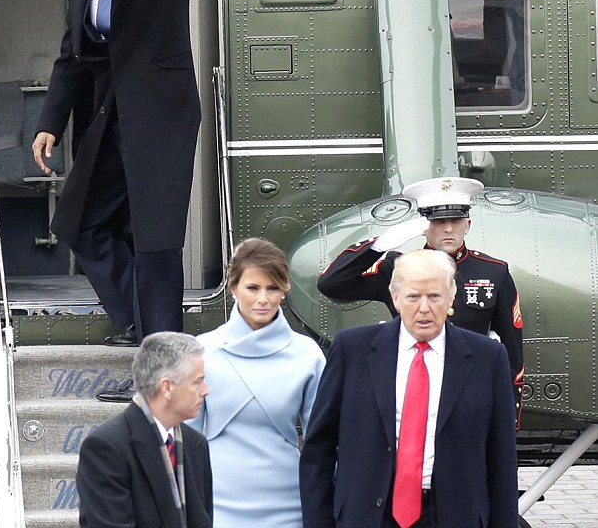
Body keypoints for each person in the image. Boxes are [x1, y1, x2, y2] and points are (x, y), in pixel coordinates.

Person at [31, 0, 227, 353]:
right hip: (108, 114)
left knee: (155, 236)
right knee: (82, 223)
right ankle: (139, 321)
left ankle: (161, 350)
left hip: (160, 115)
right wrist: (49, 124)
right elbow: (72, 57)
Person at [300, 249, 519, 528]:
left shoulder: (488, 358)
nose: (424, 308)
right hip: (369, 515)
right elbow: (319, 447)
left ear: (451, 297)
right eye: (413, 297)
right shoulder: (351, 350)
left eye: (434, 296)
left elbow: (501, 458)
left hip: (453, 515)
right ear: (395, 297)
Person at [317, 176, 524, 422]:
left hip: (470, 395)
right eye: (439, 220)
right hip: (411, 389)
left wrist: (507, 418)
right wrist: (377, 247)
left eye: (455, 220)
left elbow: (512, 352)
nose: (448, 228)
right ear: (424, 225)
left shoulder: (493, 272)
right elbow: (332, 284)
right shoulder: (400, 268)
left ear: (467, 225)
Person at [187, 238, 325, 527]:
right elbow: (185, 440)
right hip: (216, 506)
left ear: (284, 290)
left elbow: (323, 443)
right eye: (253, 287)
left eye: (272, 288)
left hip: (290, 507)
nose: (263, 299)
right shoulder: (201, 351)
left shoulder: (307, 354)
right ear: (233, 288)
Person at [75, 331, 213, 528]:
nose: (206, 390)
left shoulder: (195, 444)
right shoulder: (106, 448)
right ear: (167, 387)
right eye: (197, 382)